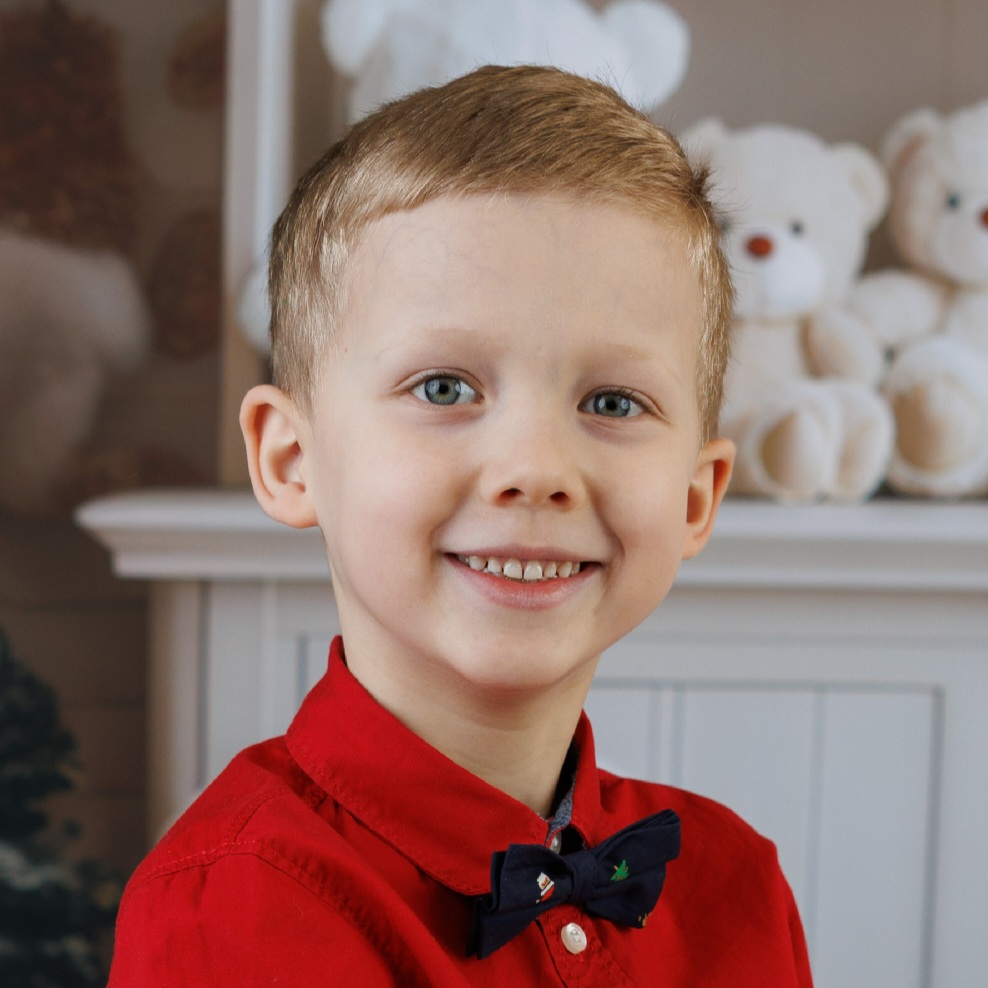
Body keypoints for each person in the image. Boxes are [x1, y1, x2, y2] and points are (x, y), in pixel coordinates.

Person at [108, 65, 813, 987]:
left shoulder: (736, 878)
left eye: (612, 401)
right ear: (291, 459)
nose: (536, 470)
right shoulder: (237, 907)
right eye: (444, 388)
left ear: (694, 496)